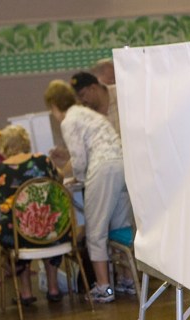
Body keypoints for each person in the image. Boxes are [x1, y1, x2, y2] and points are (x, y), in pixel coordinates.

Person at [43, 80, 134, 303]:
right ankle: (128, 280)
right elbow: (88, 148)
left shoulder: (69, 120)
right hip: (122, 164)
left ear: (54, 105)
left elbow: (80, 160)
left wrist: (80, 179)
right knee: (120, 226)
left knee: (95, 232)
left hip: (102, 169)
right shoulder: (88, 114)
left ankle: (104, 287)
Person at [0, 125, 64, 304]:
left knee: (15, 235)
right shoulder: (43, 161)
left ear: (2, 147)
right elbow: (60, 177)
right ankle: (53, 288)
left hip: (18, 232)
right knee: (48, 231)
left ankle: (26, 293)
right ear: (26, 142)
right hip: (49, 228)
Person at [70, 71, 120, 137]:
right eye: (77, 97)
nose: (80, 101)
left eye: (82, 95)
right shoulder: (86, 115)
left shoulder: (120, 94)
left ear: (93, 88)